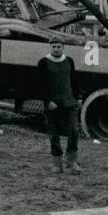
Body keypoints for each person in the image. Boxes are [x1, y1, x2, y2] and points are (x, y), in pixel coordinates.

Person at [37, 36, 81, 174]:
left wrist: (78, 98)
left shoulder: (69, 61)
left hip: (69, 103)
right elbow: (39, 85)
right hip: (52, 104)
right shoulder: (43, 62)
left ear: (63, 47)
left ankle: (71, 161)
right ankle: (57, 164)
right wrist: (47, 101)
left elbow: (74, 81)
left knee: (74, 131)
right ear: (50, 47)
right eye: (53, 47)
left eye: (59, 47)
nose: (56, 49)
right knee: (54, 135)